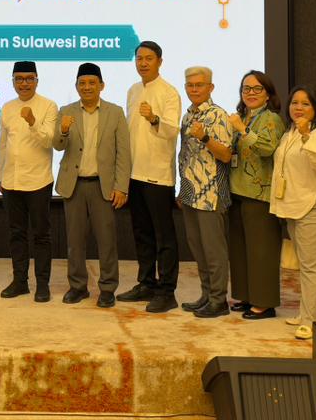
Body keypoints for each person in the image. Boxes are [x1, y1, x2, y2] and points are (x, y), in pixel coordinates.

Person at [54, 62, 130, 308]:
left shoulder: (115, 112)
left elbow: (123, 153)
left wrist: (121, 186)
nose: (87, 87)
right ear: (76, 86)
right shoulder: (66, 111)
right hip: (74, 185)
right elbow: (57, 145)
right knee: (74, 241)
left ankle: (107, 288)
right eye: (82, 83)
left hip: (102, 185)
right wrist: (63, 130)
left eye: (91, 83)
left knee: (107, 241)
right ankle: (78, 287)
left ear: (101, 85)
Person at [269, 87, 316, 340]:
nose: (298, 108)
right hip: (295, 205)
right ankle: (310, 315)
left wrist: (306, 136)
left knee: (312, 267)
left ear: (315, 109)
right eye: (295, 103)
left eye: (305, 104)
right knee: (307, 266)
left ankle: (311, 321)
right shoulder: (289, 133)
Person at [117, 41, 182, 314]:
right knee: (142, 233)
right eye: (139, 58)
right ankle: (146, 283)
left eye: (149, 58)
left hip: (158, 176)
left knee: (164, 236)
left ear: (160, 61)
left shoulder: (169, 93)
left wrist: (154, 119)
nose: (143, 63)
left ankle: (167, 292)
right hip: (134, 173)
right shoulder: (133, 90)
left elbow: (172, 131)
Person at [226, 70, 285, 320]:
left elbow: (267, 148)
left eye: (257, 89)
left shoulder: (271, 119)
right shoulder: (241, 117)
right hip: (236, 190)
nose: (250, 93)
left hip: (260, 194)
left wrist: (242, 130)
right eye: (246, 88)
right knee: (240, 250)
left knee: (262, 251)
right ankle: (246, 295)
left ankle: (264, 302)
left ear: (268, 94)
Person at [0, 60, 58, 302]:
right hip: (11, 181)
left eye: (29, 79)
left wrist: (33, 122)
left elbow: (49, 141)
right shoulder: (7, 107)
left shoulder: (48, 106)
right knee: (16, 234)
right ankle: (20, 282)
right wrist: (0, 175)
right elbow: (3, 145)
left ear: (36, 81)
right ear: (13, 82)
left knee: (41, 235)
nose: (24, 83)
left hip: (38, 180)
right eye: (19, 79)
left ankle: (42, 285)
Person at [177, 66, 234, 318]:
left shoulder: (218, 115)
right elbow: (185, 157)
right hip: (190, 193)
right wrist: (182, 189)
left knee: (213, 251)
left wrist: (205, 138)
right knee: (198, 249)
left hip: (212, 194)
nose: (194, 89)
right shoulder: (187, 116)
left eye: (199, 85)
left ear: (210, 87)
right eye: (190, 85)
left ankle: (219, 300)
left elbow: (226, 155)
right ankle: (206, 295)